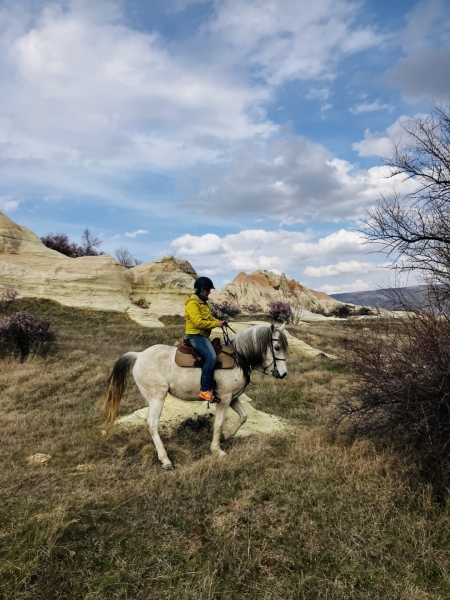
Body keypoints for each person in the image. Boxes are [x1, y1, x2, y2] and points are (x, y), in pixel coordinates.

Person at [184, 276, 227, 402]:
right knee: (211, 357)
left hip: (202, 335)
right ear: (200, 289)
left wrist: (219, 322)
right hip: (195, 335)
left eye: (209, 290)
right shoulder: (192, 304)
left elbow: (209, 319)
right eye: (207, 290)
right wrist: (215, 324)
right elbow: (198, 322)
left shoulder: (204, 304)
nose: (209, 292)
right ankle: (205, 390)